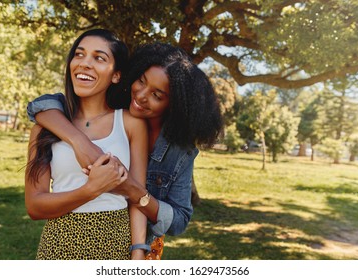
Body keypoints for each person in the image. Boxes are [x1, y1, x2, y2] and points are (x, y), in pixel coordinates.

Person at [27, 42, 223, 259]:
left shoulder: (179, 151)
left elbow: (179, 221)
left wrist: (134, 191)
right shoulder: (115, 104)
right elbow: (42, 106)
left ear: (174, 105)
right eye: (141, 81)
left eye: (157, 95)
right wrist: (80, 142)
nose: (140, 96)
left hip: (139, 244)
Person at [25, 29, 149, 260]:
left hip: (116, 244)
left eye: (99, 58)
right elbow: (35, 206)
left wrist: (138, 252)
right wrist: (90, 189)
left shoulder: (131, 124)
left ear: (116, 75)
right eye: (79, 55)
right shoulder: (45, 128)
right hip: (59, 246)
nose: (85, 63)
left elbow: (137, 196)